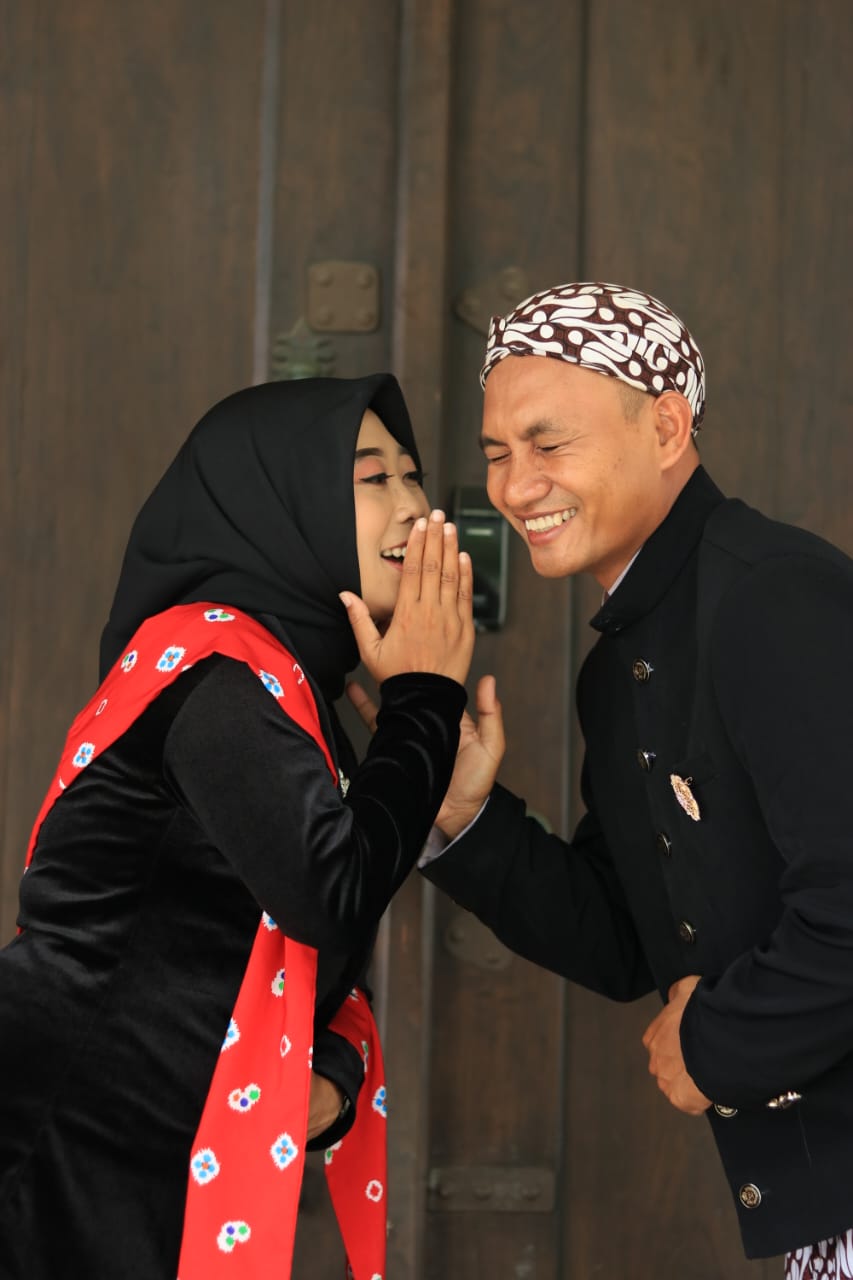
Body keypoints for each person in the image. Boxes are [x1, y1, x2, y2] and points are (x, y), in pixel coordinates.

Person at [386, 281, 853, 1277]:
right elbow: (623, 937)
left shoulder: (773, 597)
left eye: (548, 444)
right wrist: (463, 817)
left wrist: (716, 1044)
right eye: (496, 453)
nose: (516, 487)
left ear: (667, 427)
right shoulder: (619, 670)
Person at [0, 373, 474, 1280]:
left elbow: (317, 935)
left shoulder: (287, 689)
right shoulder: (214, 672)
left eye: (413, 475)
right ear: (278, 501)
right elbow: (329, 894)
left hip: (140, 1150)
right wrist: (422, 701)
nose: (416, 507)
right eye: (373, 478)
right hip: (59, 1145)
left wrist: (332, 1078)